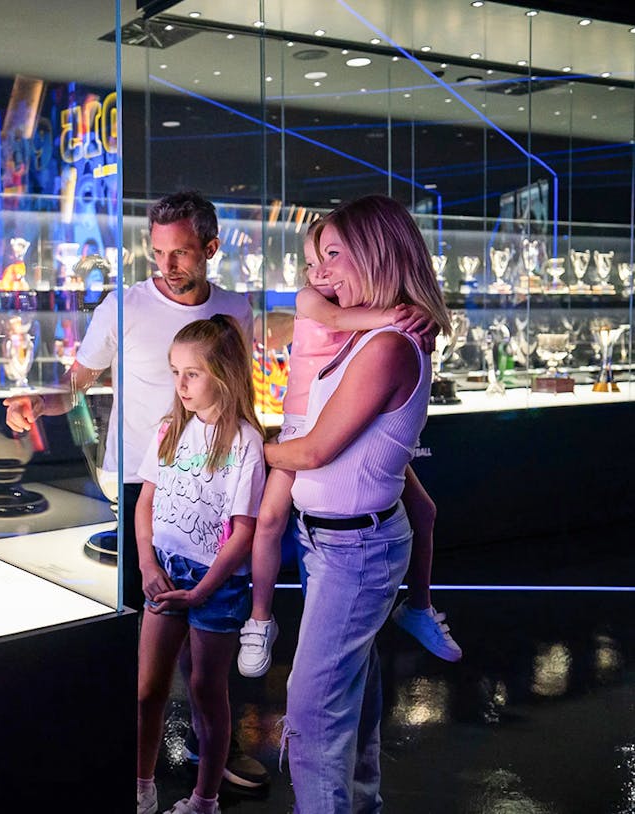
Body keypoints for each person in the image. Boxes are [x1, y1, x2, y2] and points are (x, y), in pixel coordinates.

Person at [4, 191, 265, 793]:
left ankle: (211, 749)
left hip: (215, 483)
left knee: (213, 635)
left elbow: (239, 390)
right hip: (142, 480)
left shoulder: (235, 308)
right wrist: (38, 404)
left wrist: (255, 459)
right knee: (140, 624)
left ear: (211, 248)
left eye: (180, 254)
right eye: (157, 253)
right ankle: (133, 764)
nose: (167, 266)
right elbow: (77, 385)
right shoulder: (121, 306)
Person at [263, 195, 452, 812]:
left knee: (312, 710)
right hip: (333, 542)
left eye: (335, 254)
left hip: (356, 547)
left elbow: (314, 452)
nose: (321, 271)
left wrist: (257, 450)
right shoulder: (371, 332)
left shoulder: (390, 346)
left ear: (376, 251)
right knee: (349, 697)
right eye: (317, 256)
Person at [237, 222, 461, 679]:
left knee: (425, 510)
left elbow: (383, 339)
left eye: (331, 258)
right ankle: (260, 617)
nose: (319, 272)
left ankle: (419, 604)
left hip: (349, 424)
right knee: (272, 519)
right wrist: (398, 317)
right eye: (311, 263)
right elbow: (340, 323)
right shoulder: (315, 301)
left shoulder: (365, 310)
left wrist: (418, 321)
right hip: (304, 425)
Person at [135, 316, 266, 814]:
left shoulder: (247, 444)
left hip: (216, 583)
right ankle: (143, 786)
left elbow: (244, 531)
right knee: (148, 688)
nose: (181, 384)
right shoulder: (171, 430)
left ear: (224, 374)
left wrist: (204, 589)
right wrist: (147, 564)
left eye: (192, 373)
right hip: (164, 572)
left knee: (206, 693)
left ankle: (205, 799)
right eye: (175, 372)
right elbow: (145, 503)